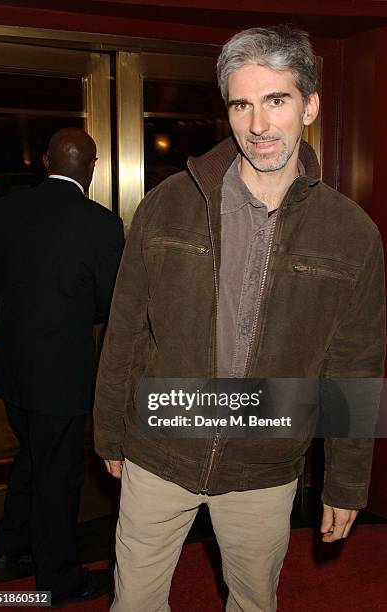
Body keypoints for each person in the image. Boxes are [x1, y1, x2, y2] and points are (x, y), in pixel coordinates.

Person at [93, 26, 385, 612]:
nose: (258, 125)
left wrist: (347, 482)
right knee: (133, 603)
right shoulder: (169, 204)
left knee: (254, 604)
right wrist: (109, 430)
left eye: (276, 100)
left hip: (264, 462)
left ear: (310, 105)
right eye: (242, 104)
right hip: (161, 446)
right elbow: (125, 327)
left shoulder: (351, 233)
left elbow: (355, 365)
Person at [0, 128, 125, 607]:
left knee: (32, 458)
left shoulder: (3, 210)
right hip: (59, 376)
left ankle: (10, 547)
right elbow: (110, 305)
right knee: (58, 476)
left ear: (45, 159)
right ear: (91, 167)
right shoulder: (101, 225)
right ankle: (58, 580)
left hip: (10, 369)